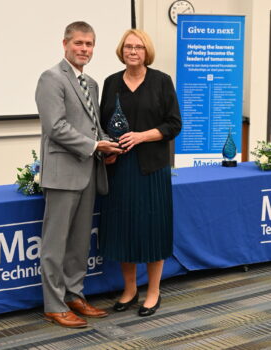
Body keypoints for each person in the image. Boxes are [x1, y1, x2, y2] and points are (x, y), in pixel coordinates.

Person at [35, 21, 122, 328]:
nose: (84, 49)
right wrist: (92, 144)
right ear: (65, 44)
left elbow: (93, 125)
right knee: (55, 243)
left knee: (79, 242)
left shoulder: (92, 83)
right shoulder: (51, 78)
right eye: (79, 44)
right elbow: (55, 128)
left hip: (88, 171)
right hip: (62, 173)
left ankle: (74, 296)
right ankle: (53, 304)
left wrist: (105, 147)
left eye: (89, 45)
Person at [99, 29, 182, 317]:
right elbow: (101, 126)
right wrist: (106, 151)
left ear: (147, 52)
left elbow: (174, 125)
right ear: (121, 50)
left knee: (153, 230)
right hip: (119, 169)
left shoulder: (161, 81)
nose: (132, 51)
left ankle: (154, 291)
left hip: (152, 170)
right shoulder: (110, 83)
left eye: (138, 47)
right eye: (128, 47)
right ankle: (130, 289)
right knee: (124, 230)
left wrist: (141, 136)